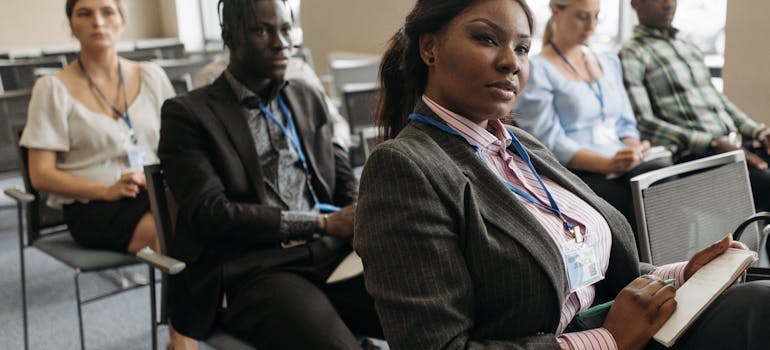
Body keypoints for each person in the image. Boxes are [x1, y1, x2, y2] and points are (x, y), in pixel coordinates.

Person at [354, 0, 770, 348]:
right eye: (486, 39)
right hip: (588, 341)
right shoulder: (405, 167)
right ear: (430, 48)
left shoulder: (519, 143)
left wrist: (679, 275)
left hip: (615, 327)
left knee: (755, 301)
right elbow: (440, 346)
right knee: (756, 310)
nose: (509, 63)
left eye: (522, 49)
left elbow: (585, 273)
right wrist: (607, 340)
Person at [158, 0, 382, 348]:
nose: (281, 42)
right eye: (262, 30)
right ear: (229, 35)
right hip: (255, 268)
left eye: (286, 29)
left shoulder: (306, 96)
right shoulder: (188, 115)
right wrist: (320, 224)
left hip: (332, 253)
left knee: (427, 312)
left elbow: (340, 178)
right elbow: (211, 216)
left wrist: (355, 217)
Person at [19, 1, 196, 349]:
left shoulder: (151, 76)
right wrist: (107, 189)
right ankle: (183, 341)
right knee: (178, 236)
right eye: (84, 13)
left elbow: (182, 144)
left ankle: (192, 331)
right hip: (94, 206)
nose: (97, 21)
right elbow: (40, 175)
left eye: (107, 11)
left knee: (207, 218)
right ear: (71, 24)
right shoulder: (51, 89)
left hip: (155, 191)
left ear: (122, 20)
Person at [513, 0, 670, 229]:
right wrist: (608, 164)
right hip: (577, 169)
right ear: (556, 12)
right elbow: (549, 143)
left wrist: (633, 147)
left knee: (662, 177)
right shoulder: (539, 69)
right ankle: (644, 262)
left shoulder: (609, 62)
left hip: (620, 162)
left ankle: (674, 260)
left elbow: (625, 123)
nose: (591, 25)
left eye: (596, 16)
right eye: (582, 17)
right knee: (628, 199)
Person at [619, 0, 770, 213]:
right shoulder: (632, 52)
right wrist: (713, 144)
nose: (668, 5)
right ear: (636, 4)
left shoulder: (686, 44)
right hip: (696, 153)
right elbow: (645, 122)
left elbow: (719, 100)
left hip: (735, 143)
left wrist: (758, 131)